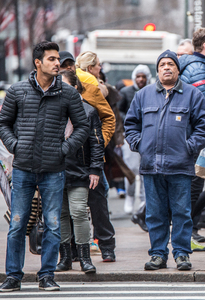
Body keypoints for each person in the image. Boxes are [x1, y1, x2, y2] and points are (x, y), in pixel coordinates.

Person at [0, 41, 89, 292]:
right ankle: (13, 276)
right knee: (18, 223)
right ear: (38, 62)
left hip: (54, 168)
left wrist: (64, 149)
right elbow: (3, 123)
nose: (57, 63)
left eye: (57, 59)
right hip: (23, 167)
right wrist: (15, 145)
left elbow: (82, 127)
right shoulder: (17, 91)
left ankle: (47, 275)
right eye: (51, 59)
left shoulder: (68, 93)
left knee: (52, 223)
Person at [124, 50, 205, 271]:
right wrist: (140, 145)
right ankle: (158, 254)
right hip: (151, 167)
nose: (166, 68)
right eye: (162, 64)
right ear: (157, 70)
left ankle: (182, 254)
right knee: (155, 214)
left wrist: (188, 148)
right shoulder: (143, 95)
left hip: (181, 167)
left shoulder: (192, 95)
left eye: (171, 64)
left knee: (182, 213)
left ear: (177, 69)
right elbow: (130, 125)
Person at [55, 70, 104, 274]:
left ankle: (84, 257)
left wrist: (94, 169)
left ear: (75, 88)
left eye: (65, 85)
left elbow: (96, 142)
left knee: (78, 212)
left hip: (80, 170)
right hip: (55, 170)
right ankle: (65, 257)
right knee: (61, 214)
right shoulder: (53, 109)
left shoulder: (88, 111)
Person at [179, 27, 205, 250]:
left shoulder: (195, 65)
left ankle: (189, 232)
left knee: (196, 184)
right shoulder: (198, 68)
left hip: (189, 134)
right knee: (195, 185)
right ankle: (189, 234)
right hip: (195, 136)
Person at [76, 50, 117, 262]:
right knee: (83, 205)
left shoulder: (91, 86)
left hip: (91, 157)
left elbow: (109, 118)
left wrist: (98, 142)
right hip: (69, 157)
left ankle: (105, 245)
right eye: (98, 64)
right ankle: (77, 249)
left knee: (97, 201)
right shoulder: (64, 85)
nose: (101, 68)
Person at [118, 65, 151, 215]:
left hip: (148, 136)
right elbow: (118, 112)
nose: (141, 79)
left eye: (143, 76)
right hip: (130, 135)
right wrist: (131, 121)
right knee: (131, 169)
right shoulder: (125, 92)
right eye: (138, 76)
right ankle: (130, 197)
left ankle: (144, 200)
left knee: (145, 170)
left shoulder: (152, 92)